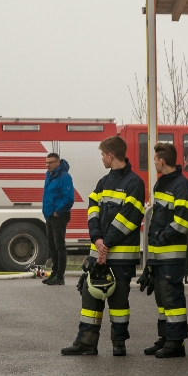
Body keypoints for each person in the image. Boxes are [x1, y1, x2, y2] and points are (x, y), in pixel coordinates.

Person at [62, 136, 145, 357]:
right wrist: (97, 238)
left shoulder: (135, 183)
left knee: (119, 302)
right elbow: (92, 211)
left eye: (102, 155)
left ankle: (119, 343)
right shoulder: (103, 182)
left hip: (120, 257)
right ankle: (86, 343)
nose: (101, 159)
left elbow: (129, 219)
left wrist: (105, 244)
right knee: (90, 299)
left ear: (111, 155)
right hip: (100, 253)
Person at [142, 143, 188, 358]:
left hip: (171, 254)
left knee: (172, 298)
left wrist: (161, 239)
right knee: (163, 299)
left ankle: (176, 342)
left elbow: (183, 220)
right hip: (159, 254)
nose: (154, 162)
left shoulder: (182, 185)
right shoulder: (162, 183)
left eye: (155, 159)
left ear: (162, 161)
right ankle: (165, 337)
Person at [41, 153, 74, 285]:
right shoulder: (49, 175)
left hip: (59, 215)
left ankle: (60, 276)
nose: (47, 165)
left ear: (58, 162)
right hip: (50, 215)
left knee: (59, 245)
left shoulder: (64, 177)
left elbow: (69, 198)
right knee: (52, 245)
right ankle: (54, 274)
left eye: (50, 162)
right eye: (46, 162)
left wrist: (57, 211)